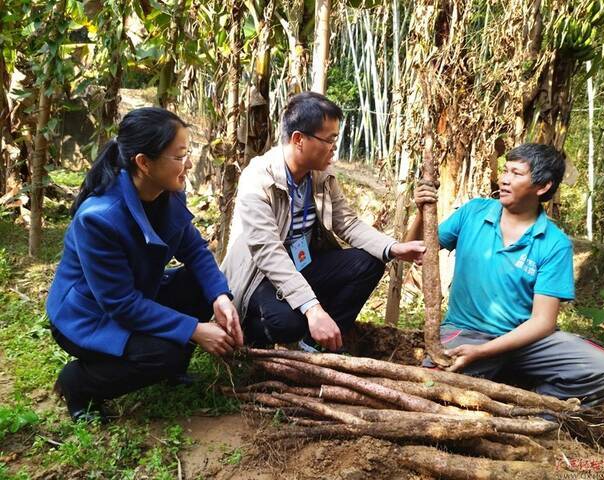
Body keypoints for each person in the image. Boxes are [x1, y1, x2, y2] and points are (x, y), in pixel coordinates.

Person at [47, 107, 243, 422]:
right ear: (144, 162)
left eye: (187, 153)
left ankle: (171, 367)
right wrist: (194, 329)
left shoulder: (168, 191)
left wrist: (220, 297)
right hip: (88, 315)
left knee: (200, 286)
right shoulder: (98, 219)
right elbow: (121, 304)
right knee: (166, 352)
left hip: (138, 292)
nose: (188, 164)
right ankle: (78, 383)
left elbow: (193, 248)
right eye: (180, 157)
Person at [408, 143, 604, 407]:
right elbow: (415, 251)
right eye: (505, 171)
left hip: (526, 343)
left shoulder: (554, 243)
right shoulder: (474, 212)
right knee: (428, 388)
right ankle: (496, 381)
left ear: (543, 186)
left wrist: (483, 353)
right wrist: (422, 212)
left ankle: (536, 410)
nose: (504, 179)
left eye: (516, 173)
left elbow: (543, 322)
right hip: (467, 334)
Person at [222, 92, 426, 352]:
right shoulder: (259, 178)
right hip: (260, 278)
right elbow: (268, 252)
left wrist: (394, 248)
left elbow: (347, 223)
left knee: (369, 263)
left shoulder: (320, 175)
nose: (334, 148)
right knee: (289, 322)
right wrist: (312, 308)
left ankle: (316, 345)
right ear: (299, 140)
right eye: (329, 140)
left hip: (300, 268)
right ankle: (248, 335)